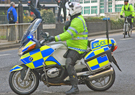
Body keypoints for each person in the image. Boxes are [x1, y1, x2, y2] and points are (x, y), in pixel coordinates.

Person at [47, 2, 88, 95]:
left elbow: (68, 34)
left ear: (74, 10)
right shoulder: (74, 20)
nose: (68, 12)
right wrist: (66, 26)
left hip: (78, 48)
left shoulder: (77, 21)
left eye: (69, 10)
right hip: (72, 45)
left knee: (69, 63)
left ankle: (75, 87)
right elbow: (69, 32)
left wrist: (54, 38)